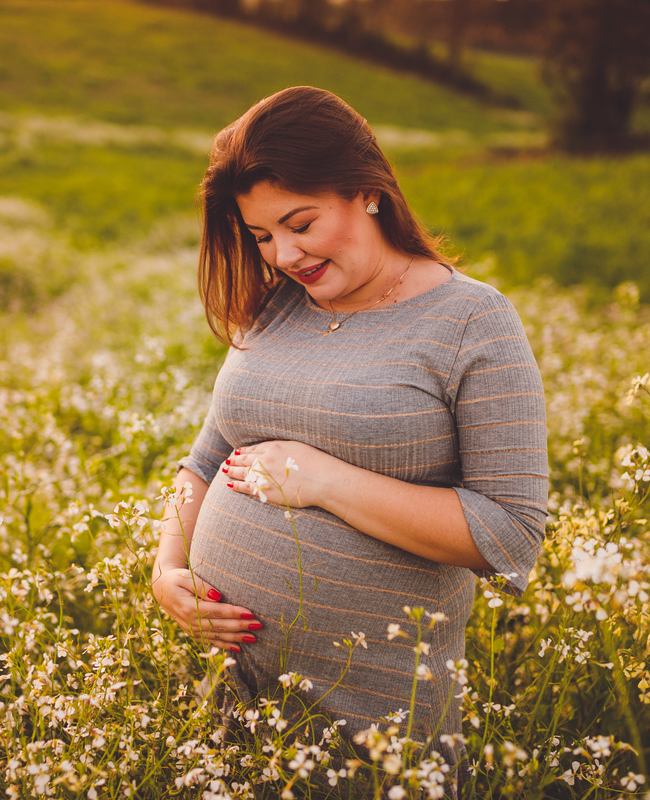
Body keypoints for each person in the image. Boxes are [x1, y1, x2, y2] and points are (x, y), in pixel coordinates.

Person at [152, 86, 548, 795]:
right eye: (261, 236)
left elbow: (510, 530)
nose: (284, 254)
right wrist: (168, 569)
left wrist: (326, 481)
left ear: (367, 191)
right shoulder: (275, 308)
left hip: (375, 719)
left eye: (299, 223)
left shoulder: (471, 321)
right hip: (233, 692)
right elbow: (207, 458)